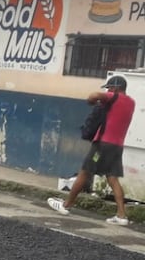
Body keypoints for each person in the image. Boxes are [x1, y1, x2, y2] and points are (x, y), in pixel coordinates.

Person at [48, 74, 136, 224]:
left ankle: (66, 205)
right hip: (117, 146)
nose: (108, 90)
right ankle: (121, 216)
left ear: (115, 88)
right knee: (113, 178)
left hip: (102, 145)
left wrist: (93, 101)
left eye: (109, 88)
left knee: (84, 172)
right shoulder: (131, 102)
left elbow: (93, 95)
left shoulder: (113, 97)